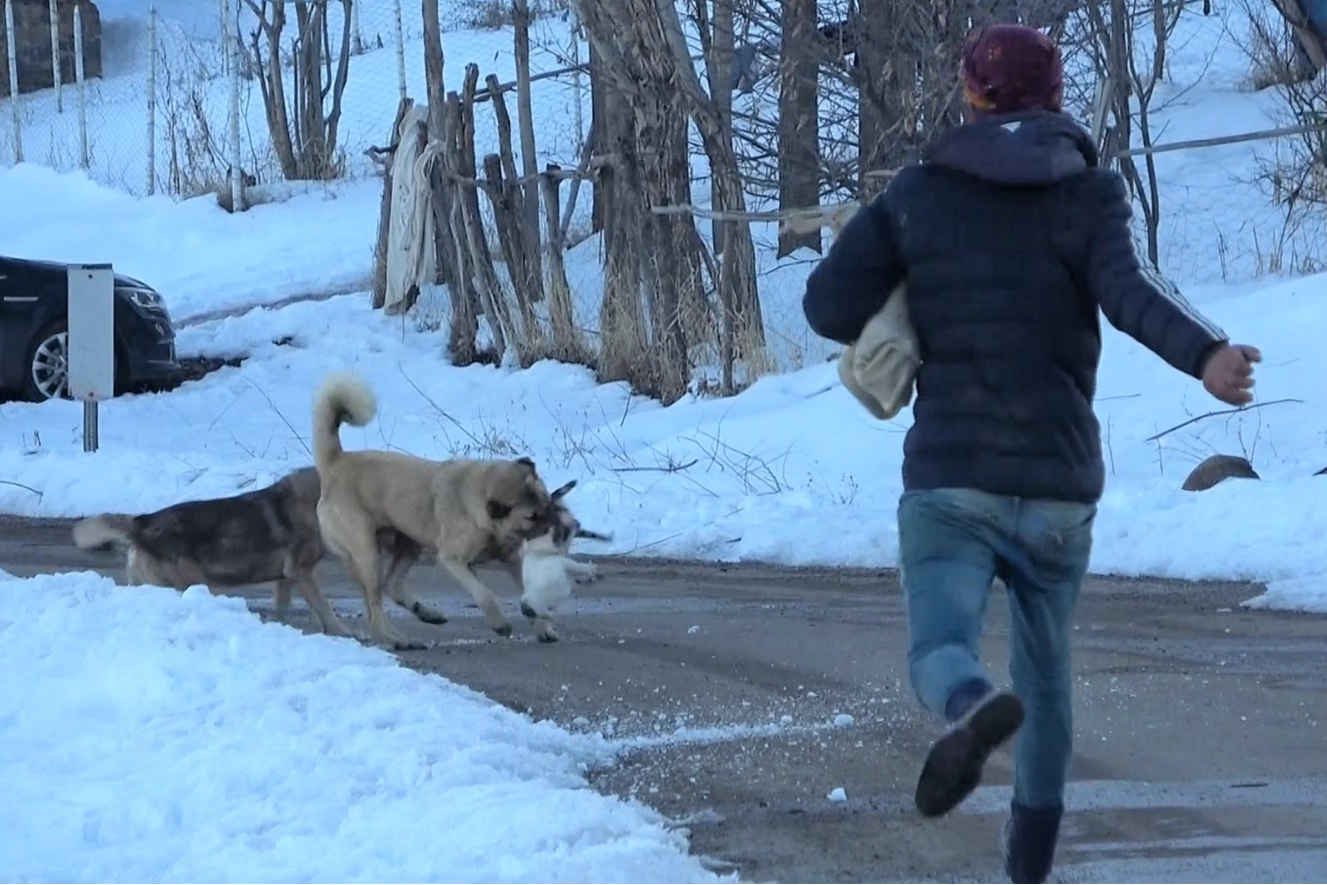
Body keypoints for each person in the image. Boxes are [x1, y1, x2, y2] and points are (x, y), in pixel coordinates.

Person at [801, 22, 1261, 885]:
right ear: (1053, 99)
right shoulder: (1087, 193)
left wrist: (903, 267)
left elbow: (826, 305)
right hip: (1055, 485)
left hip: (949, 479)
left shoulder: (917, 193)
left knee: (939, 644)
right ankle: (1029, 867)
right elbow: (1130, 292)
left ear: (969, 95)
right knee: (1046, 676)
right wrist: (1206, 354)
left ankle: (969, 705)